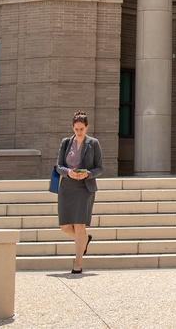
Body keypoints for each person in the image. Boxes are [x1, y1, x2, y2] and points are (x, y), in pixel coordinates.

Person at [56, 110, 103, 274]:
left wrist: (88, 174)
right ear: (72, 127)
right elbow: (59, 166)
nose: (79, 132)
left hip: (85, 188)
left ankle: (78, 263)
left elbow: (100, 168)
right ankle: (84, 239)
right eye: (76, 129)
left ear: (87, 127)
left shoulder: (93, 143)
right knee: (64, 226)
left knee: (79, 224)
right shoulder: (65, 142)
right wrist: (68, 172)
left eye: (81, 129)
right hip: (67, 187)